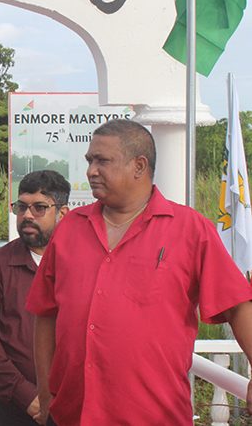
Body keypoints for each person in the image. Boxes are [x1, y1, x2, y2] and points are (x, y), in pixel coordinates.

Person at [26, 119, 252, 426]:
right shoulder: (70, 229)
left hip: (154, 415)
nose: (91, 170)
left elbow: (237, 305)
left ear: (139, 165)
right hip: (72, 414)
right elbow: (45, 314)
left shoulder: (189, 229)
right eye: (90, 161)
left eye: (102, 160)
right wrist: (46, 392)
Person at [0, 170, 69, 426]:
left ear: (63, 213)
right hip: (11, 409)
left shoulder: (81, 266)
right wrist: (29, 396)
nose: (27, 216)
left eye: (39, 207)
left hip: (72, 408)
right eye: (21, 207)